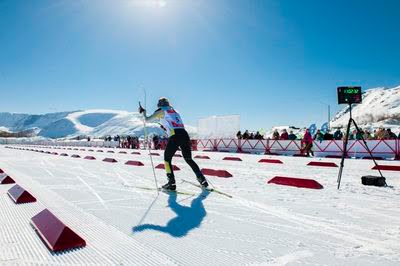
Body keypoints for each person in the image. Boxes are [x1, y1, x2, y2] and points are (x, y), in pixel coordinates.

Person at [139, 97, 208, 191]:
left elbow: (147, 119)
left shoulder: (161, 110)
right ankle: (202, 179)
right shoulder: (175, 111)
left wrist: (143, 112)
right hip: (184, 134)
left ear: (160, 105)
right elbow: (171, 123)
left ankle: (171, 183)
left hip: (175, 136)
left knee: (167, 159)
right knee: (188, 159)